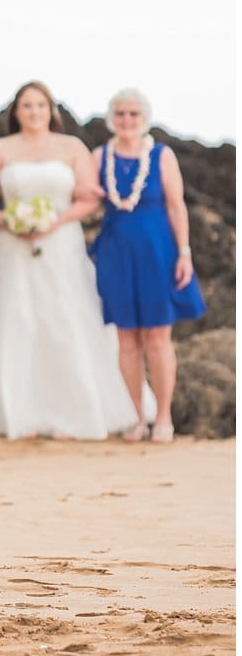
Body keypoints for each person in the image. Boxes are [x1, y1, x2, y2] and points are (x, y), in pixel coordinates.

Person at [0, 81, 139, 440]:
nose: (34, 112)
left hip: (61, 244)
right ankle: (19, 412)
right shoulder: (1, 149)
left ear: (51, 110)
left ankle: (68, 412)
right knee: (14, 321)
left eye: (40, 105)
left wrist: (54, 221)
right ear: (16, 112)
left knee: (63, 322)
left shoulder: (72, 147)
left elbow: (88, 198)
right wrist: (11, 221)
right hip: (11, 246)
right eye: (26, 106)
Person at [90, 88, 206, 443]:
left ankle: (164, 417)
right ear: (112, 117)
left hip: (158, 252)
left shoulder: (161, 155)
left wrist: (184, 252)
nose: (127, 120)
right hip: (116, 253)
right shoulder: (100, 156)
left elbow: (176, 207)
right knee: (126, 338)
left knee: (158, 337)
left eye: (134, 114)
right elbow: (89, 202)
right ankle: (137, 417)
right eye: (121, 113)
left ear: (145, 117)